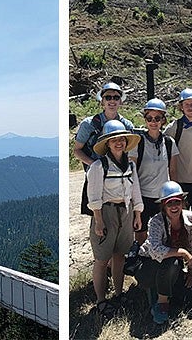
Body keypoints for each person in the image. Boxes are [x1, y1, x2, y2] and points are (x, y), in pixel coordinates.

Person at [84, 120, 143, 313]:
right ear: (107, 144)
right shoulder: (98, 167)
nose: (118, 143)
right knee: (102, 259)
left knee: (120, 256)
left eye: (122, 139)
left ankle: (118, 294)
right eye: (113, 140)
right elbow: (93, 197)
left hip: (125, 211)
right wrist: (98, 221)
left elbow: (135, 191)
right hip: (106, 212)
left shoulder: (130, 166)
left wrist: (137, 214)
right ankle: (101, 300)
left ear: (126, 142)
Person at [137, 181, 192, 325]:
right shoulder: (156, 221)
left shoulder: (191, 218)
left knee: (191, 297)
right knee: (173, 261)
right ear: (163, 205)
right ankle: (161, 303)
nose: (174, 206)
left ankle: (163, 292)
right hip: (149, 267)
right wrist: (182, 252)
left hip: (175, 268)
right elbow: (154, 251)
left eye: (177, 202)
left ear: (183, 202)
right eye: (169, 203)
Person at [75, 82, 135, 215]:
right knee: (97, 215)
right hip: (96, 178)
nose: (112, 100)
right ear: (102, 101)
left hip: (119, 177)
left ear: (121, 101)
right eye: (108, 97)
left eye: (116, 97)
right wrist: (95, 165)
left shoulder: (127, 125)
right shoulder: (88, 124)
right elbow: (77, 150)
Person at [133, 98, 180, 244]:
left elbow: (173, 171)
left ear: (163, 120)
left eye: (157, 118)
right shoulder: (138, 143)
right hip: (143, 196)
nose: (153, 122)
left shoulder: (168, 142)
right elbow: (132, 171)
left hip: (162, 197)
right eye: (149, 118)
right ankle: (142, 262)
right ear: (145, 120)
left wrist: (174, 196)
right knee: (141, 232)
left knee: (164, 231)